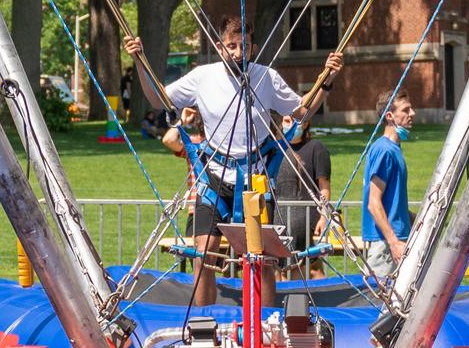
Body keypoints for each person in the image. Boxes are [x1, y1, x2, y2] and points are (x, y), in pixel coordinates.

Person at [126, 22, 340, 306]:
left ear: (253, 47)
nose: (239, 53)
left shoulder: (266, 78)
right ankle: (203, 325)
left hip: (255, 180)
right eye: (232, 46)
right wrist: (139, 62)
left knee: (261, 260)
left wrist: (325, 81)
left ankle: (265, 325)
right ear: (220, 47)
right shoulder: (203, 77)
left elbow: (302, 110)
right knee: (204, 257)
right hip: (213, 179)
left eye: (245, 47)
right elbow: (158, 99)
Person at [274, 112, 333, 277]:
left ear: (306, 124)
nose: (292, 124)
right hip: (280, 217)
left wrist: (323, 216)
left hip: (306, 217)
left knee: (307, 267)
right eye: (287, 120)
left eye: (297, 121)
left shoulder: (316, 148)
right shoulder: (276, 149)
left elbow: (324, 187)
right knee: (277, 269)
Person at [362, 94, 414, 282]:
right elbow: (373, 203)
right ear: (390, 116)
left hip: (396, 239)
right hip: (386, 244)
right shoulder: (384, 150)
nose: (412, 113)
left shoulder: (394, 150)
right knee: (382, 308)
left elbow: (390, 201)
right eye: (406, 110)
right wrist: (394, 243)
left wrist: (413, 219)